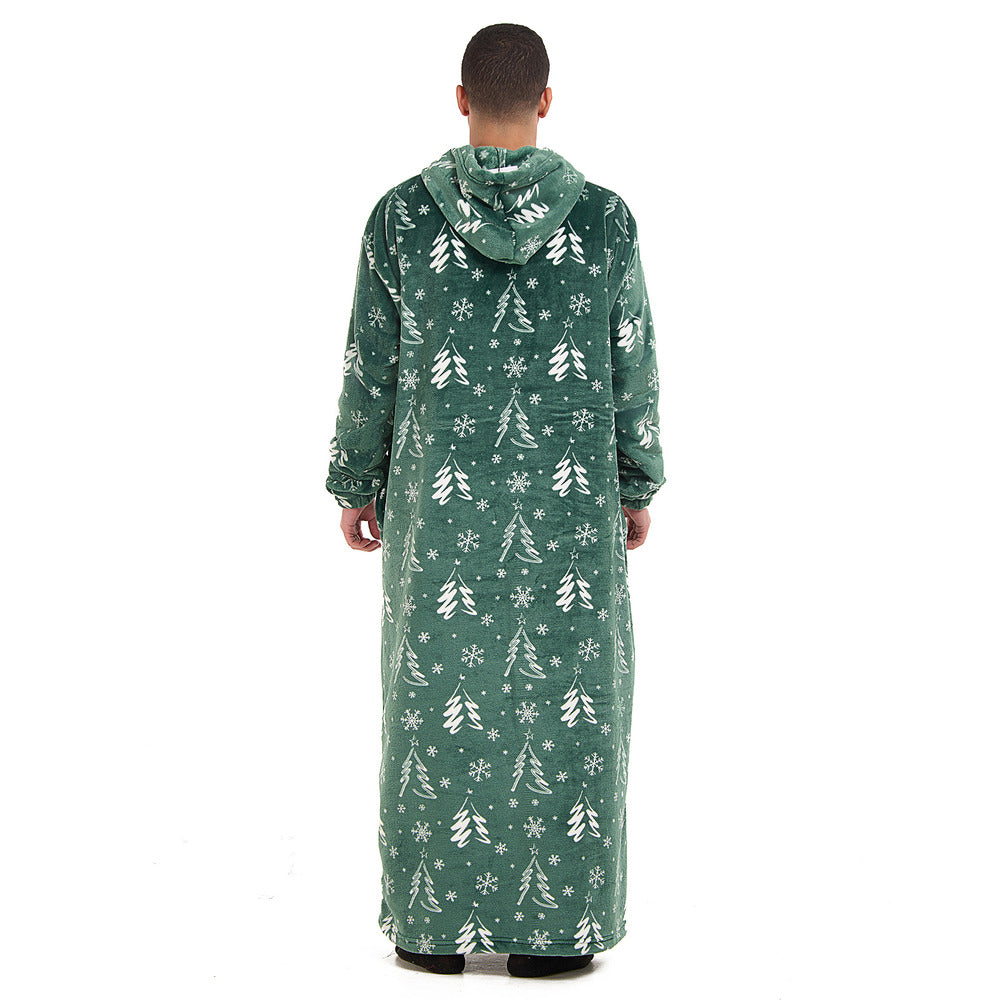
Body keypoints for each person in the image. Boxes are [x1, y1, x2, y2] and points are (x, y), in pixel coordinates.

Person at [325, 22, 665, 978]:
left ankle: (432, 929)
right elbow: (632, 361)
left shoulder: (399, 219)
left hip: (437, 521)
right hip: (568, 518)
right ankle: (556, 938)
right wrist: (635, 480)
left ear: (461, 99)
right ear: (546, 101)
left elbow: (370, 366)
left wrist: (356, 481)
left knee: (435, 702)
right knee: (570, 707)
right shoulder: (604, 222)